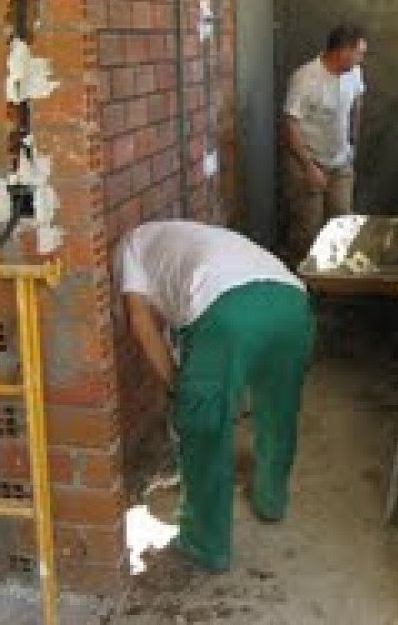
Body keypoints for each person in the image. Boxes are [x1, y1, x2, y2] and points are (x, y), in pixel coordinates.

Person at [115, 220, 315, 572]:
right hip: (293, 304)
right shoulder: (183, 237)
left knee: (202, 423)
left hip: (226, 308)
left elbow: (139, 321)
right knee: (278, 409)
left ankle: (205, 543)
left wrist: (177, 386)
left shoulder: (127, 250)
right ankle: (271, 500)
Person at [283, 24, 367, 262]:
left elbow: (358, 100)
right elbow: (290, 124)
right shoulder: (305, 78)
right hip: (307, 162)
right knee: (308, 229)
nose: (361, 59)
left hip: (340, 161)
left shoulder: (355, 72)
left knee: (342, 223)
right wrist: (308, 167)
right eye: (359, 53)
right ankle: (301, 278)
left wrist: (352, 141)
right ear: (343, 51)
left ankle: (333, 277)